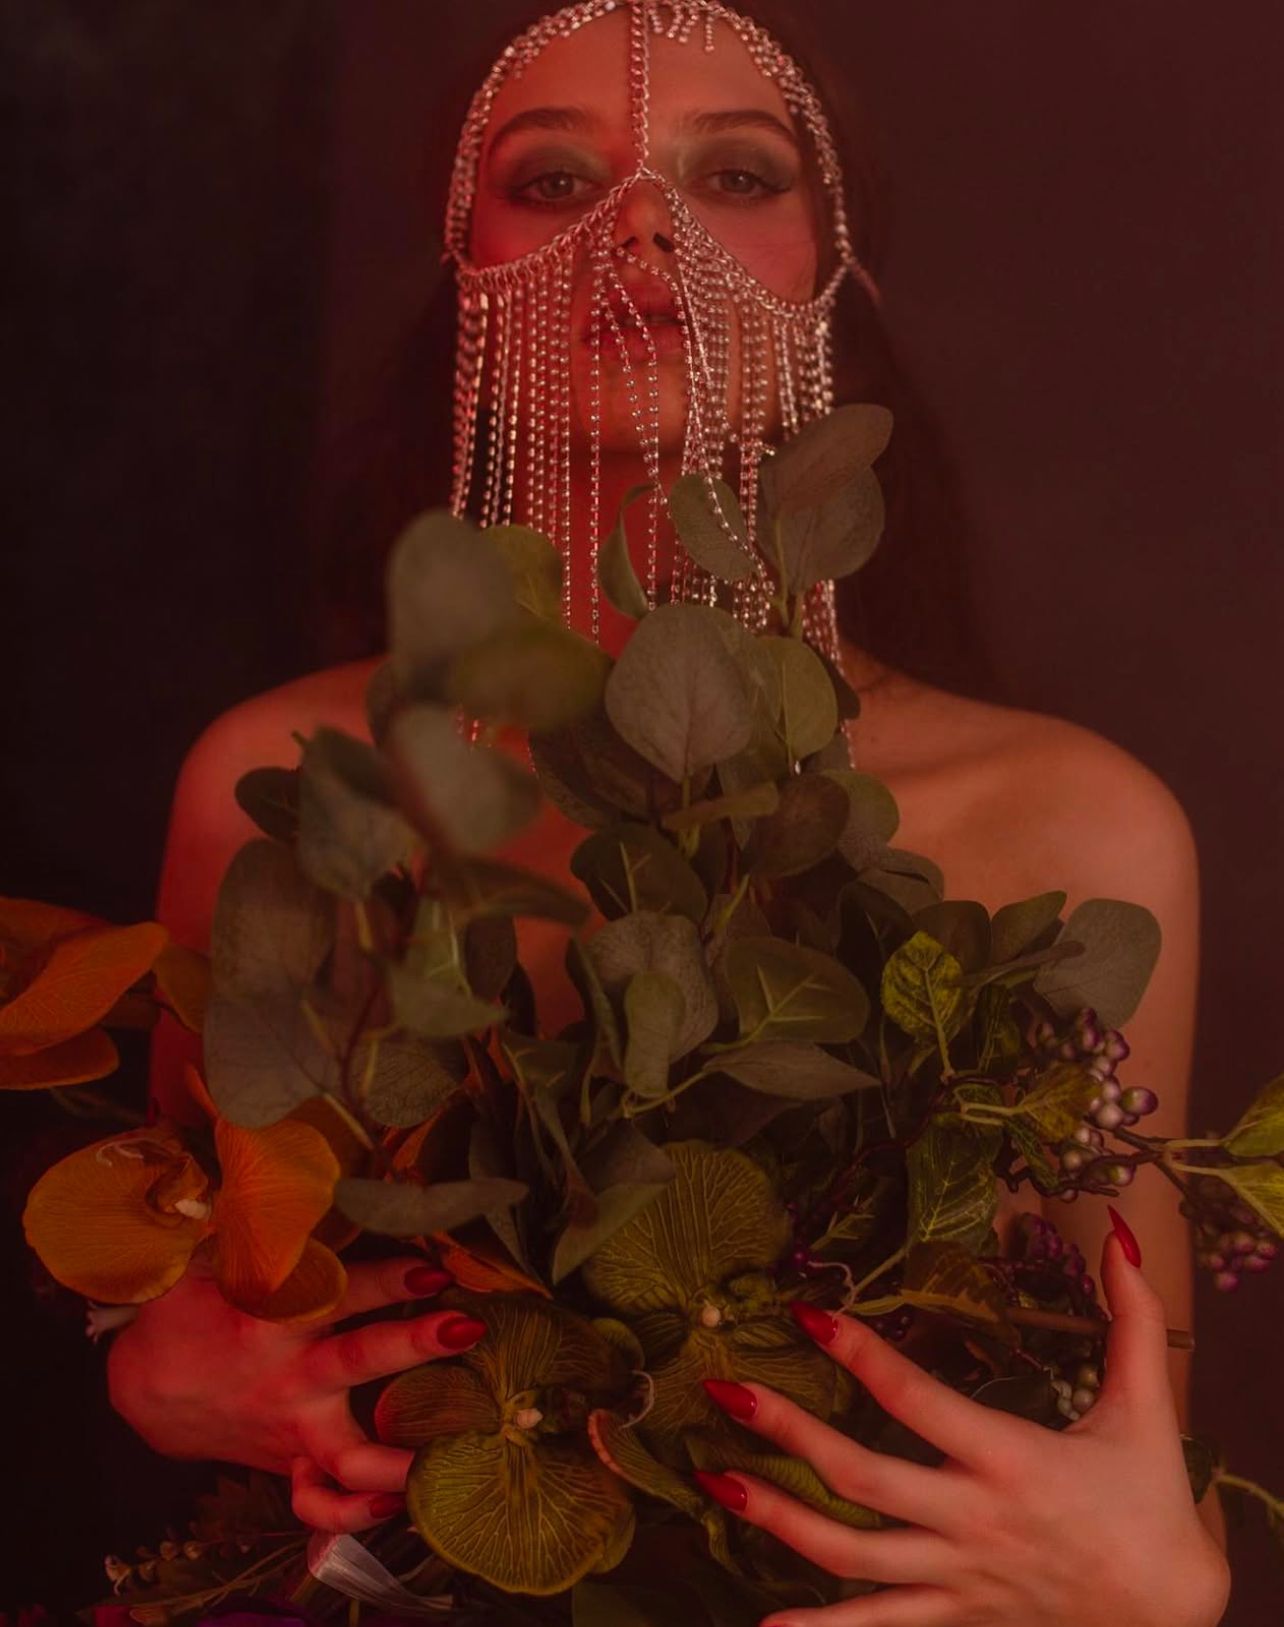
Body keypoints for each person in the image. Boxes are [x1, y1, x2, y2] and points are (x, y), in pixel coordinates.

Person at [107, 3, 1231, 1621]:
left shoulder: (1073, 825)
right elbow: (187, 1305)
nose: (640, 225)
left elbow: (1132, 1458)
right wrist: (149, 1366)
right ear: (464, 263)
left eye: (736, 176)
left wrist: (1159, 1589)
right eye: (555, 181)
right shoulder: (274, 784)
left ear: (834, 273)